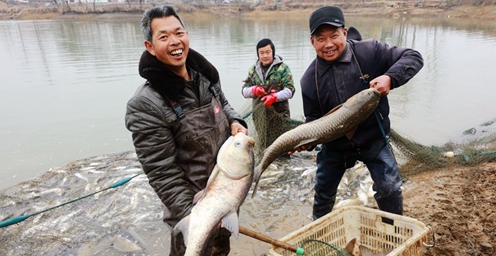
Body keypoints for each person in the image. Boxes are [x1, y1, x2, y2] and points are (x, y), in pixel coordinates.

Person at [125, 6, 248, 256]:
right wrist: (197, 218)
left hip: (225, 200)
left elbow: (223, 104)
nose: (175, 41)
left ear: (187, 34)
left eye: (179, 32)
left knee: (220, 252)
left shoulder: (205, 76)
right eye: (164, 36)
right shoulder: (145, 104)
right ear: (149, 46)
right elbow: (163, 174)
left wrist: (236, 121)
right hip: (191, 212)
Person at [294, 6, 424, 220]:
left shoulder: (369, 51)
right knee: (323, 195)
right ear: (312, 41)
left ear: (344, 33)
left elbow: (413, 57)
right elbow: (313, 120)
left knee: (389, 188)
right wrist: (306, 140)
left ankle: (392, 230)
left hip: (373, 138)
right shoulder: (309, 80)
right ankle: (319, 229)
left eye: (334, 36)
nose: (328, 44)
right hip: (335, 146)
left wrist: (390, 78)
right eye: (321, 39)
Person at [241, 38, 295, 150]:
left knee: (282, 144)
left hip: (280, 114)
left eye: (268, 52)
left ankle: (283, 163)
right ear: (258, 54)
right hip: (260, 115)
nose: (265, 55)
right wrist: (254, 90)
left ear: (273, 52)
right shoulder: (253, 70)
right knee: (263, 143)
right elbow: (244, 91)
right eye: (261, 53)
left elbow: (290, 90)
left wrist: (274, 97)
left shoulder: (283, 68)